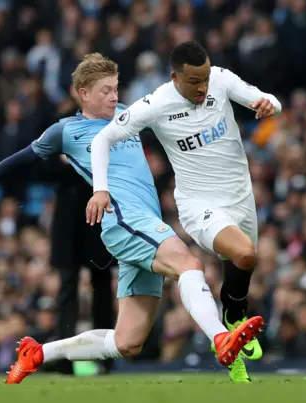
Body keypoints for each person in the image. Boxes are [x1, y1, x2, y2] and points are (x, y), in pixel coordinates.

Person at [0, 53, 264, 384]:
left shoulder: (128, 116)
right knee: (190, 265)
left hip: (144, 224)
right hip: (124, 221)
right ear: (83, 93)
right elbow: (21, 159)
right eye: (105, 91)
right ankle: (220, 338)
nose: (114, 96)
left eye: (115, 89)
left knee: (127, 341)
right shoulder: (67, 130)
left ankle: (39, 353)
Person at [86, 41, 281, 381]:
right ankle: (226, 330)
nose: (202, 87)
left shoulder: (220, 79)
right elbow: (102, 140)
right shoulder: (157, 103)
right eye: (194, 81)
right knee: (246, 254)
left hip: (240, 196)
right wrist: (100, 188)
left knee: (242, 263)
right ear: (175, 76)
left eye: (205, 78)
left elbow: (267, 99)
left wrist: (269, 105)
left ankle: (233, 319)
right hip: (199, 203)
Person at [45, 152, 115, 376]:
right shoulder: (61, 130)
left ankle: (105, 356)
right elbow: (42, 169)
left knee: (101, 288)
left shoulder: (101, 129)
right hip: (69, 220)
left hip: (98, 216)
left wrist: (71, 162)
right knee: (67, 290)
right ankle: (63, 357)